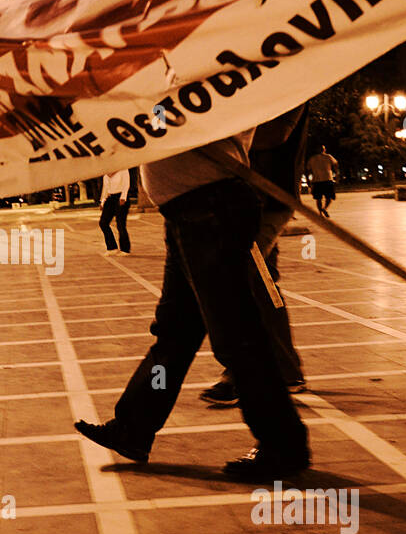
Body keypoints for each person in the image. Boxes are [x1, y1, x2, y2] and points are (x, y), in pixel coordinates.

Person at [73, 125, 310, 481]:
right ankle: (133, 427)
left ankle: (283, 445)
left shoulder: (208, 76)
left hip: (210, 207)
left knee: (236, 337)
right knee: (174, 334)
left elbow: (266, 131)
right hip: (188, 210)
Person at [201, 105, 310, 406]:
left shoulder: (292, 84)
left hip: (271, 199)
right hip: (244, 198)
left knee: (243, 276)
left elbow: (275, 134)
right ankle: (286, 372)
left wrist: (212, 131)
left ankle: (243, 374)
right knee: (262, 284)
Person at [98, 168, 131, 254]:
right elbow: (105, 188)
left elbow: (126, 184)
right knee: (103, 223)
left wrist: (123, 197)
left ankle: (125, 249)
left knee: (120, 224)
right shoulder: (106, 173)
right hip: (110, 198)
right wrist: (102, 201)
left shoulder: (123, 169)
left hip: (121, 197)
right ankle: (112, 248)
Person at [306, 145, 338, 216]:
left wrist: (308, 179)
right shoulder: (327, 157)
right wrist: (336, 173)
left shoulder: (313, 158)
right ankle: (323, 210)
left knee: (319, 198)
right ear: (324, 150)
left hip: (319, 181)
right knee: (326, 198)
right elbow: (336, 164)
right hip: (326, 180)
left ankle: (322, 211)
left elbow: (308, 170)